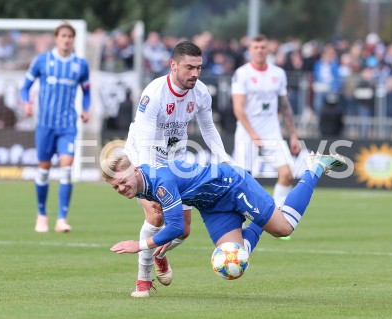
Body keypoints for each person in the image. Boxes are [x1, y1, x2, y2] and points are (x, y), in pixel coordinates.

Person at [103, 152, 347, 297]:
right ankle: (261, 220)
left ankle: (315, 167)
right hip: (212, 206)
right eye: (116, 188)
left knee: (284, 228)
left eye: (123, 182)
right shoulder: (140, 184)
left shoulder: (159, 181)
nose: (122, 189)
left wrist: (140, 244)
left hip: (232, 185)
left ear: (134, 171)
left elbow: (177, 228)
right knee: (235, 261)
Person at [124, 40, 231, 297]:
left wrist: (225, 158)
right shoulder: (155, 93)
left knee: (182, 230)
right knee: (156, 216)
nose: (195, 73)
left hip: (175, 160)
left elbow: (207, 128)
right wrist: (153, 187)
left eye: (199, 67)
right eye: (189, 67)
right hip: (143, 157)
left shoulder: (202, 92)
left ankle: (160, 253)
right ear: (173, 65)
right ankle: (143, 280)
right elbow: (147, 141)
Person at [20, 23, 91, 233]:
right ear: (56, 38)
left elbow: (87, 92)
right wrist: (27, 102)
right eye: (63, 36)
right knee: (43, 170)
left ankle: (62, 218)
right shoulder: (43, 60)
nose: (66, 39)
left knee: (66, 169)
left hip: (68, 125)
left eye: (70, 36)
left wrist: (86, 109)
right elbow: (25, 86)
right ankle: (42, 215)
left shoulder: (80, 64)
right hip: (45, 125)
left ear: (73, 39)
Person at [231, 34, 301, 229]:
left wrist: (293, 134)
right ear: (250, 50)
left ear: (268, 49)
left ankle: (275, 215)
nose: (260, 50)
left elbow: (285, 106)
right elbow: (238, 107)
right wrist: (252, 133)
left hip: (272, 132)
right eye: (256, 47)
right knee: (244, 181)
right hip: (247, 133)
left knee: (287, 173)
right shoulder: (242, 73)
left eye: (263, 47)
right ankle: (241, 223)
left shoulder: (278, 73)